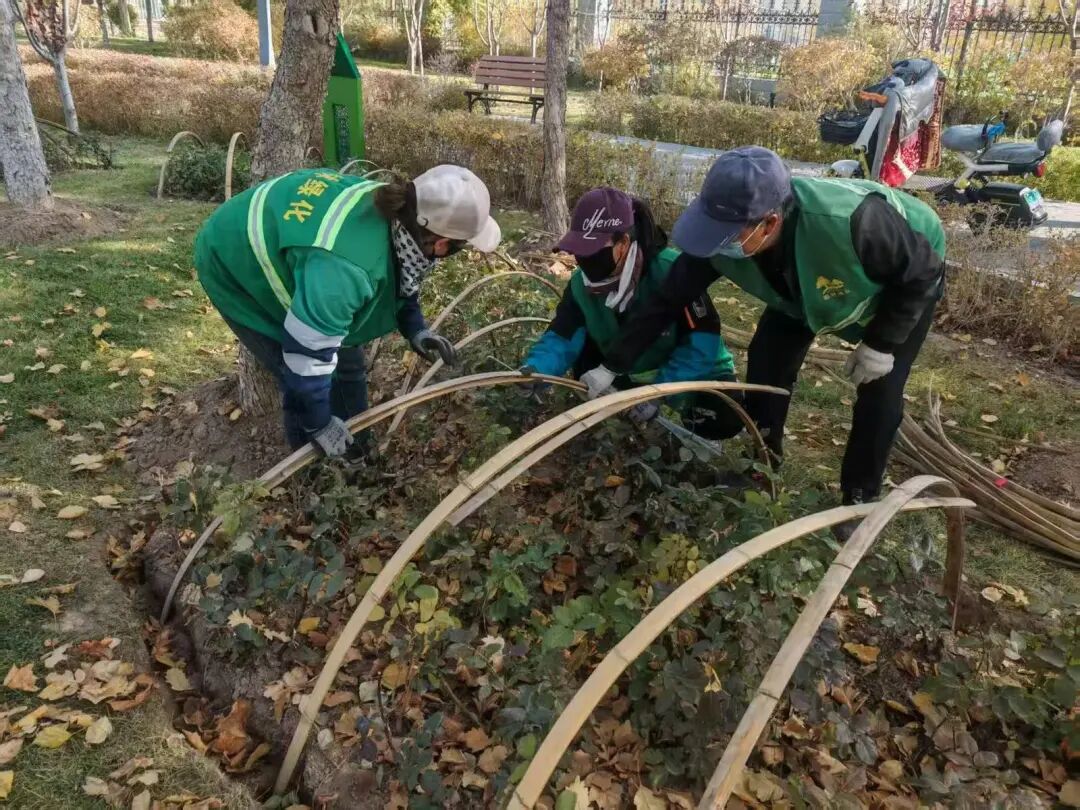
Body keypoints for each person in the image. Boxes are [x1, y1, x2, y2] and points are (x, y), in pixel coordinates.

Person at [579, 147, 946, 517]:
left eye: (725, 235)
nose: (715, 242)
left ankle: (859, 499)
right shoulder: (722, 237)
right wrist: (613, 366)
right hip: (797, 289)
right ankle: (762, 468)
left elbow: (922, 272)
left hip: (906, 278)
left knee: (880, 392)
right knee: (768, 359)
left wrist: (880, 345)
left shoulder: (853, 222)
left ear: (769, 223)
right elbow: (665, 301)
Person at [195, 164, 501, 458]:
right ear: (443, 245)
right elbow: (306, 362)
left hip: (298, 247)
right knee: (298, 377)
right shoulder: (346, 271)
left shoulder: (399, 212)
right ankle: (314, 477)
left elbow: (403, 275)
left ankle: (357, 444)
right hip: (234, 260)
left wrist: (415, 328)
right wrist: (319, 423)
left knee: (347, 364)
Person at [521, 187, 742, 440]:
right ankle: (620, 421)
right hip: (621, 369)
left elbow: (702, 343)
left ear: (623, 243)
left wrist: (659, 392)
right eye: (578, 252)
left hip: (693, 369)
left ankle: (693, 423)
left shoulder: (672, 272)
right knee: (587, 368)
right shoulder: (580, 286)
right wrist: (537, 369)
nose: (585, 261)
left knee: (722, 416)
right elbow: (562, 335)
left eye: (592, 252)